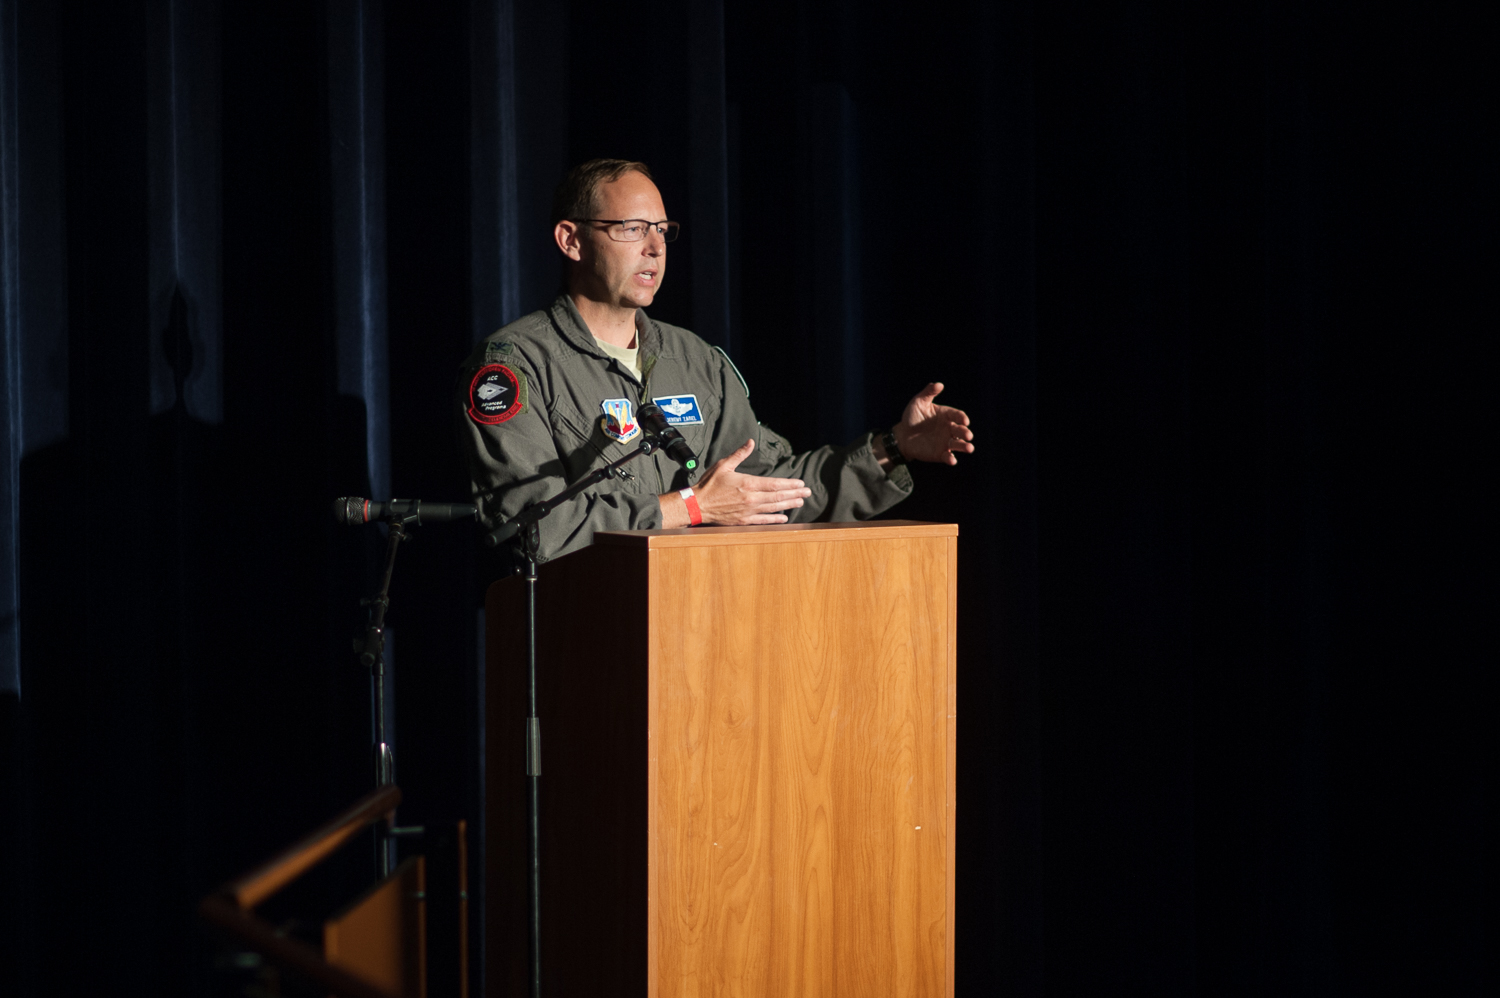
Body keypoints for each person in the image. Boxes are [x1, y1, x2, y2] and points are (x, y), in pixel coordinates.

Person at [456, 158, 975, 562]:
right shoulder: (516, 364)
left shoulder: (695, 360)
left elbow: (769, 492)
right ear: (571, 240)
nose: (655, 248)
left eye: (662, 230)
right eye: (632, 229)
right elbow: (528, 529)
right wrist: (692, 508)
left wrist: (892, 448)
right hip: (593, 640)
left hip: (710, 631)